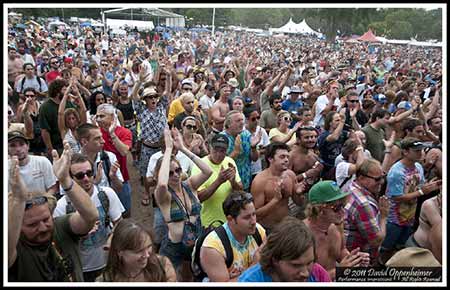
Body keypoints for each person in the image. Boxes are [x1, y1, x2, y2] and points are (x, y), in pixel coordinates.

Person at [8, 143, 99, 282]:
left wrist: (65, 180)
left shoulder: (60, 228)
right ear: (19, 227)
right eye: (32, 225)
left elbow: (91, 216)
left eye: (46, 219)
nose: (43, 227)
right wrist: (18, 200)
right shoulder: (17, 248)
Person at [53, 153, 125, 281]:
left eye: (89, 173)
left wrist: (112, 238)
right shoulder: (61, 206)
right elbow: (58, 244)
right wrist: (79, 234)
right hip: (81, 271)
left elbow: (119, 223)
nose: (86, 178)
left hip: (108, 264)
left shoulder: (107, 194)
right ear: (70, 178)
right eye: (80, 176)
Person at [155, 127, 213, 282]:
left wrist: (183, 149)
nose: (175, 175)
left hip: (195, 241)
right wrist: (168, 150)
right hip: (174, 247)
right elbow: (161, 185)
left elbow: (208, 171)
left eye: (178, 170)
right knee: (168, 279)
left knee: (191, 278)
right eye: (170, 173)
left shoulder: (190, 185)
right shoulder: (164, 195)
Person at [379, 138, 442, 264]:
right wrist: (421, 192)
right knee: (386, 247)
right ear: (405, 152)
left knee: (401, 246)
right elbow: (396, 197)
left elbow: (419, 186)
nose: (420, 153)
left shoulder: (418, 166)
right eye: (416, 151)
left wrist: (429, 186)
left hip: (410, 216)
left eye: (421, 150)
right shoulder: (397, 172)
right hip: (394, 219)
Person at [304, 181, 370, 280]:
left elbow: (341, 250)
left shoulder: (336, 225)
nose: (343, 211)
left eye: (343, 205)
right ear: (319, 209)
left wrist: (354, 260)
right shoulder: (303, 236)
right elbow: (304, 278)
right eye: (336, 208)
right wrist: (340, 271)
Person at [238, 216, 331, 282]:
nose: (305, 273)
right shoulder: (250, 281)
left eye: (309, 263)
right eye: (296, 265)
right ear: (275, 260)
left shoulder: (318, 275)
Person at [200, 191, 266, 282]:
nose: (253, 221)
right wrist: (254, 266)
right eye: (247, 217)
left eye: (254, 214)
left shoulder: (258, 231)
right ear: (230, 219)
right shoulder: (213, 247)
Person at [132, 69, 172, 207]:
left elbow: (168, 91)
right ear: (145, 100)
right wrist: (139, 81)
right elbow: (134, 96)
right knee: (146, 174)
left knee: (164, 170)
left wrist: (168, 76)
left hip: (162, 148)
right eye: (150, 97)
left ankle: (162, 192)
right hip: (147, 148)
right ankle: (146, 192)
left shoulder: (162, 107)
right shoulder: (142, 110)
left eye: (155, 96)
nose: (153, 99)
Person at [97, 219, 177, 282]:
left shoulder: (163, 266)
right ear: (120, 252)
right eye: (139, 251)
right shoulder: (106, 279)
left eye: (149, 246)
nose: (147, 255)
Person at [192, 134, 243, 227]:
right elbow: (199, 198)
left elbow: (240, 191)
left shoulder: (230, 162)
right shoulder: (200, 165)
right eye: (215, 150)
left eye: (222, 151)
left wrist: (233, 182)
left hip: (230, 222)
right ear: (209, 147)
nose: (218, 154)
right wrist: (218, 181)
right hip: (209, 223)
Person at [251, 142, 297, 234]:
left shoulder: (290, 175)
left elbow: (298, 202)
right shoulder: (260, 181)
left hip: (287, 225)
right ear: (270, 159)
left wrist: (299, 193)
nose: (286, 160)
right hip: (268, 228)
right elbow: (256, 214)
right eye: (282, 157)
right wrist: (275, 200)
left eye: (287, 157)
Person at [95, 103, 132, 217]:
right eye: (97, 116)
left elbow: (124, 151)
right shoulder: (95, 133)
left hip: (121, 179)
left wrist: (112, 134)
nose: (99, 119)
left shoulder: (124, 132)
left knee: (125, 212)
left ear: (112, 117)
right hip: (101, 181)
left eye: (102, 116)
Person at [77, 123, 124, 197]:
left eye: (101, 137)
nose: (103, 141)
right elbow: (69, 194)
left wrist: (113, 177)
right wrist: (94, 182)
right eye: (97, 138)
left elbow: (119, 188)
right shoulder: (73, 164)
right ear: (84, 142)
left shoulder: (109, 157)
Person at [8, 130, 58, 197]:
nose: (18, 149)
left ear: (28, 146)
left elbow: (53, 188)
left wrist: (43, 202)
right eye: (12, 145)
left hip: (43, 203)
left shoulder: (42, 162)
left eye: (21, 144)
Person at [288, 126, 323, 219]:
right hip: (295, 197)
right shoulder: (291, 156)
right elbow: (285, 180)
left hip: (312, 196)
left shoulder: (314, 156)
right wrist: (306, 174)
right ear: (298, 140)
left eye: (313, 137)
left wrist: (318, 171)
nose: (311, 140)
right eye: (307, 137)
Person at [222, 110, 261, 192]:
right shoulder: (222, 138)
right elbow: (220, 163)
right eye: (237, 121)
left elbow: (254, 158)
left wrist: (253, 148)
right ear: (228, 124)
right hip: (228, 184)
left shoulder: (246, 134)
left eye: (242, 120)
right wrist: (235, 152)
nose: (241, 123)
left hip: (246, 180)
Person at [39, 78, 76, 158]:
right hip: (57, 146)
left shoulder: (68, 103)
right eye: (64, 90)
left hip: (71, 142)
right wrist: (50, 149)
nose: (67, 92)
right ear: (57, 91)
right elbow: (44, 130)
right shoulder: (45, 107)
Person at [317, 110, 350, 180]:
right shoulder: (324, 135)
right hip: (327, 169)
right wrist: (342, 122)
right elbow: (334, 137)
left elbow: (358, 134)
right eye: (337, 120)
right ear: (330, 123)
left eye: (340, 120)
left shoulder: (342, 133)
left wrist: (353, 118)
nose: (340, 122)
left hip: (339, 167)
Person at [58, 78, 87, 153]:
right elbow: (60, 113)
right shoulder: (64, 131)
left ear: (77, 119)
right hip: (71, 160)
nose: (71, 121)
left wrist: (77, 93)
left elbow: (84, 111)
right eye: (69, 119)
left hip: (84, 159)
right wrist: (66, 94)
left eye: (73, 118)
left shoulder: (81, 129)